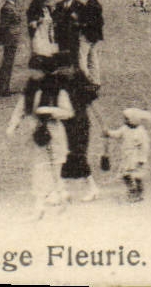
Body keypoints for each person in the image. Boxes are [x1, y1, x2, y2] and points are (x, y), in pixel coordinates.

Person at [6, 61, 73, 218]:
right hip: (37, 135)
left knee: (56, 169)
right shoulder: (30, 91)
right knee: (39, 169)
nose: (32, 75)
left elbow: (68, 112)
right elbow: (20, 110)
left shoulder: (58, 91)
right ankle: (40, 204)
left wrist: (51, 110)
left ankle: (58, 199)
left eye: (36, 71)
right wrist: (12, 126)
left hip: (55, 134)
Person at [56, 65, 102, 202]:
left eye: (65, 67)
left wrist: (103, 125)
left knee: (76, 155)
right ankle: (62, 189)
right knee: (64, 155)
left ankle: (92, 188)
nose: (63, 70)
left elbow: (92, 103)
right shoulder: (60, 80)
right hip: (66, 123)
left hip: (79, 124)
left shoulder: (78, 80)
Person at [102, 108, 151, 202]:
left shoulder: (141, 132)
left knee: (137, 176)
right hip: (127, 156)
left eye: (127, 119)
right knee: (126, 174)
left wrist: (142, 159)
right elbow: (117, 134)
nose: (125, 121)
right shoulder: (124, 128)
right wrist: (108, 133)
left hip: (136, 157)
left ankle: (139, 192)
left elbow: (144, 147)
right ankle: (132, 190)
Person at [0, 0, 25, 96]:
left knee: (9, 63)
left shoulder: (10, 6)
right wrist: (1, 38)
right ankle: (3, 89)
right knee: (7, 63)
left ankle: (5, 87)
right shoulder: (7, 8)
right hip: (9, 38)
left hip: (12, 38)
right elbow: (4, 25)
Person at [77, 0, 106, 83]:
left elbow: (89, 21)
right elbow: (101, 21)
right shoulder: (95, 3)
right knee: (93, 59)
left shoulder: (90, 5)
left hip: (87, 35)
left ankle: (86, 79)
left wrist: (80, 23)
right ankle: (95, 80)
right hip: (95, 36)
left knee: (82, 59)